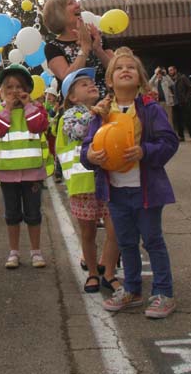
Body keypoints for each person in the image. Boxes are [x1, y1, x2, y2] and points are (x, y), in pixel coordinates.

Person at [81, 47, 179, 319]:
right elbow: (86, 149)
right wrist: (90, 155)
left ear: (140, 78)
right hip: (115, 190)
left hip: (145, 189)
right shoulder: (101, 113)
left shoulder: (150, 110)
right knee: (125, 242)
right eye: (119, 68)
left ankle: (163, 292)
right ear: (110, 80)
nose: (125, 70)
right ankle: (132, 288)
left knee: (152, 240)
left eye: (131, 67)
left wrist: (144, 151)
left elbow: (169, 142)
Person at [56, 68, 120, 294]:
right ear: (72, 97)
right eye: (83, 84)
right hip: (83, 185)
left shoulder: (106, 111)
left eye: (92, 82)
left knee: (116, 229)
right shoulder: (70, 116)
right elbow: (79, 131)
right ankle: (93, 272)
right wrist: (98, 114)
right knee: (88, 232)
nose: (91, 85)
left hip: (109, 181)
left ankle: (109, 271)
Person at [0, 64, 49, 269]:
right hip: (6, 173)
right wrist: (7, 109)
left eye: (19, 87)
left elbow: (38, 126)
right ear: (1, 91)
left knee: (33, 214)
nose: (14, 91)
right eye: (9, 87)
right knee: (12, 215)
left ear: (27, 90)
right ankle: (14, 252)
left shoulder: (37, 109)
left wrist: (28, 105)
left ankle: (36, 252)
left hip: (32, 172)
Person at [43, 0, 112, 98]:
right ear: (59, 14)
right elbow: (67, 78)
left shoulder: (97, 37)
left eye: (76, 1)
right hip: (76, 109)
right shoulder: (53, 47)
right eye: (71, 3)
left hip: (107, 103)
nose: (77, 5)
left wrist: (98, 49)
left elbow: (116, 68)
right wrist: (84, 49)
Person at [168, 65, 191, 142]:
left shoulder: (182, 77)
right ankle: (181, 136)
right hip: (175, 103)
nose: (170, 72)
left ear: (175, 70)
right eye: (169, 71)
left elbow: (190, 87)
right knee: (178, 121)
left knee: (188, 119)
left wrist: (186, 98)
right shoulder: (169, 80)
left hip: (183, 102)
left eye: (171, 70)